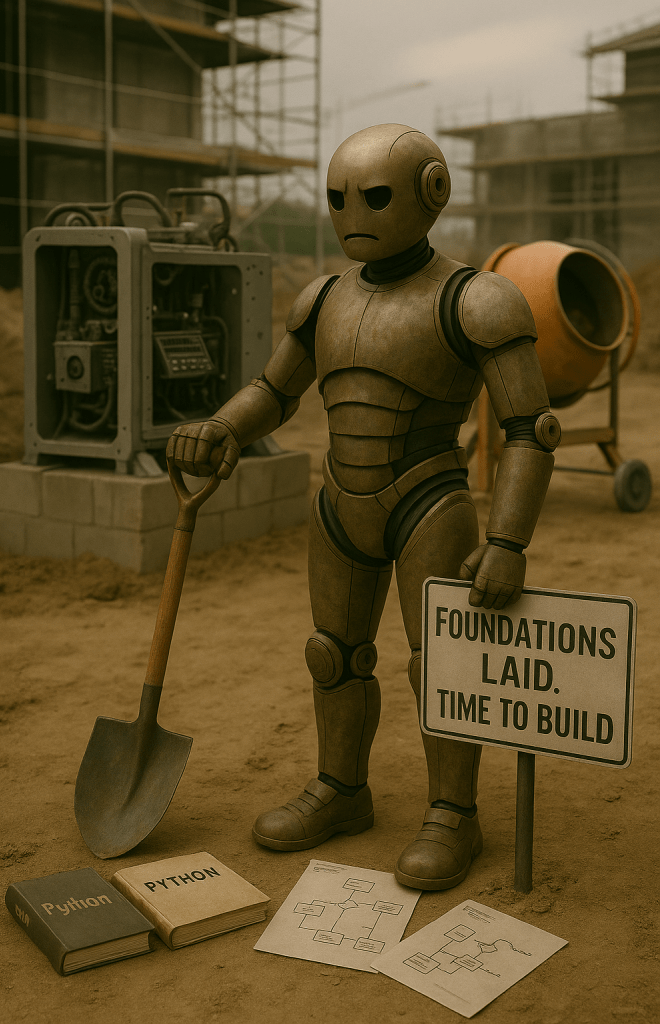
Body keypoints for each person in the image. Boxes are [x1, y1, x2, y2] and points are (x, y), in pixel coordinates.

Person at [167, 124, 560, 891]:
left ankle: (453, 812)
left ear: (431, 193)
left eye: (375, 196)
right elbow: (276, 390)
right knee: (331, 654)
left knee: (440, 664)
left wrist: (508, 539)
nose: (353, 212)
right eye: (338, 198)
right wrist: (223, 427)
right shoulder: (322, 298)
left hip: (428, 498)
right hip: (338, 504)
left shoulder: (475, 298)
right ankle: (340, 789)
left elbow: (530, 428)